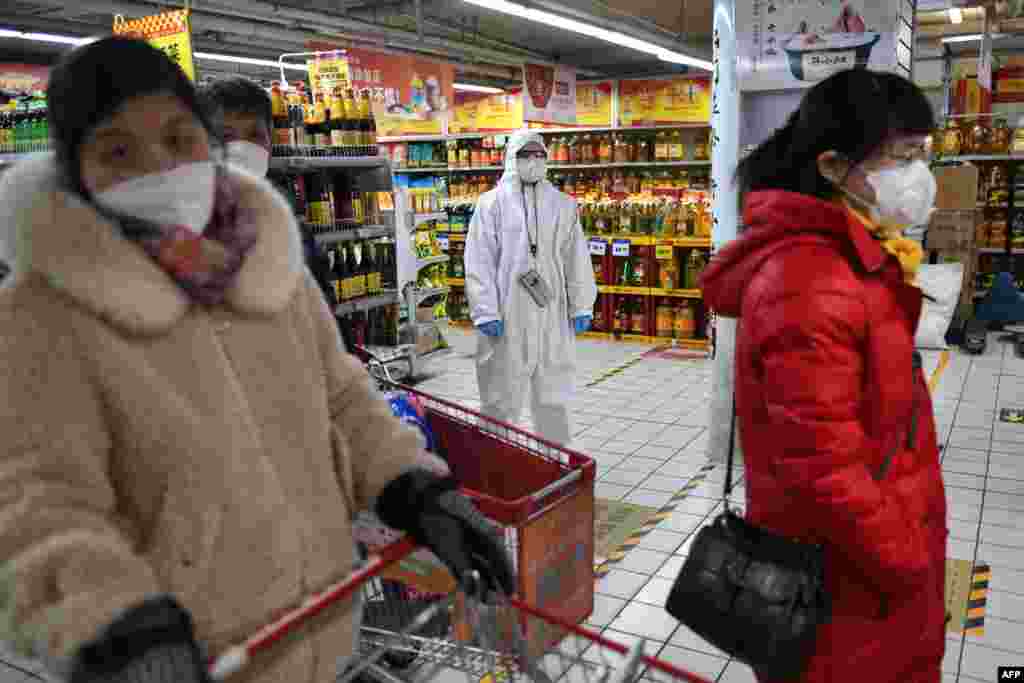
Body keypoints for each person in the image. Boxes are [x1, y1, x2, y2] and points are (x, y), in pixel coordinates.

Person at [0, 37, 514, 683]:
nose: (159, 166)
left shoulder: (266, 266)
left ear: (206, 142)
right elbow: (30, 503)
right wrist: (112, 620)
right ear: (76, 168)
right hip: (185, 659)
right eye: (118, 151)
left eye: (178, 136)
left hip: (321, 628)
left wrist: (417, 486)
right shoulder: (42, 313)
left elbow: (343, 398)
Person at [700, 69, 946, 683]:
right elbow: (820, 467)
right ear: (834, 167)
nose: (919, 175)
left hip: (861, 570)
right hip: (842, 581)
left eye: (923, 154)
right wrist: (906, 558)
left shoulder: (856, 258)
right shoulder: (808, 283)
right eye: (902, 157)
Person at [464, 130, 597, 446]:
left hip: (551, 311)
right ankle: (497, 458)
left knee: (553, 391)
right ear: (512, 158)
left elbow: (576, 256)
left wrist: (581, 303)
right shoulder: (491, 205)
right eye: (526, 155)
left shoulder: (563, 206)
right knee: (501, 392)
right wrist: (485, 310)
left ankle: (554, 458)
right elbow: (479, 258)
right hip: (507, 313)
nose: (533, 162)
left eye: (539, 155)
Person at [198, 77, 338, 313]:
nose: (243, 147)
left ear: (270, 140)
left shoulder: (289, 217)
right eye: (227, 136)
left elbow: (321, 302)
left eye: (255, 135)